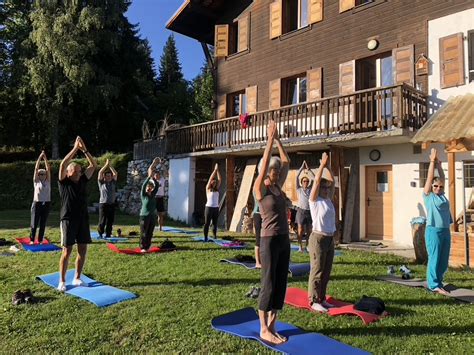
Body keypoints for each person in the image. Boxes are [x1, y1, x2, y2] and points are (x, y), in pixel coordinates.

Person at [254, 120, 290, 345]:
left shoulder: (278, 187)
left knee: (280, 283)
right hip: (268, 240)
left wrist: (277, 140)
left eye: (277, 170)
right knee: (268, 283)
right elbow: (267, 160)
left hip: (283, 239)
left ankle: (273, 324)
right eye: (272, 169)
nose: (276, 171)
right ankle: (263, 328)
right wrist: (268, 140)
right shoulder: (261, 188)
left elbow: (286, 160)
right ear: (265, 171)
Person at [57, 136, 97, 292]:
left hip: (82, 218)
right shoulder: (64, 182)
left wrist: (84, 149)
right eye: (77, 171)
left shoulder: (82, 180)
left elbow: (93, 165)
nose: (80, 173)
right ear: (69, 172)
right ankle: (62, 281)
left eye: (80, 171)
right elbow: (63, 164)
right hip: (67, 219)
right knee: (67, 251)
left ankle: (77, 277)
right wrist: (75, 148)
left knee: (82, 250)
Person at [307, 152, 336, 313]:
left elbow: (332, 181)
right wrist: (322, 165)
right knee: (317, 270)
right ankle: (313, 301)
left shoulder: (328, 200)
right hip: (317, 238)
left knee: (326, 271)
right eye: (323, 188)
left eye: (327, 188)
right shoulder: (314, 201)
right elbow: (317, 181)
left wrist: (329, 166)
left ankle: (322, 298)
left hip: (329, 239)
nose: (326, 189)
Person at [423, 148, 452, 295]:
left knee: (443, 260)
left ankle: (439, 282)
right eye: (436, 186)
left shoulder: (442, 195)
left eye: (440, 186)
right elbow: (429, 179)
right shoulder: (429, 196)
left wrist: (440, 165)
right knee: (434, 258)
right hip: (433, 230)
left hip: (445, 230)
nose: (438, 188)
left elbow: (442, 177)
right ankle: (433, 285)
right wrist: (432, 162)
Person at [139, 158, 160, 252]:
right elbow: (143, 186)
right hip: (144, 216)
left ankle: (147, 246)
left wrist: (153, 178)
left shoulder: (153, 194)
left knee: (150, 232)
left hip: (152, 216)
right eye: (148, 187)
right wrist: (149, 177)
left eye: (150, 187)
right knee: (144, 232)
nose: (149, 188)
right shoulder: (143, 195)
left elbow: (157, 184)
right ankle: (143, 247)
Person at [30, 151, 51, 244]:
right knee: (34, 223)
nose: (42, 175)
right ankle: (32, 239)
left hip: (46, 203)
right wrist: (40, 157)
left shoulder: (48, 181)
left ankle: (40, 239)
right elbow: (36, 169)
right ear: (38, 175)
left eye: (44, 174)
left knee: (43, 223)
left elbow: (48, 169)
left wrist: (45, 158)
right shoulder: (36, 182)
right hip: (37, 203)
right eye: (40, 174)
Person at [295, 160, 314, 252]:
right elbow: (296, 177)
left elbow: (315, 179)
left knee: (309, 230)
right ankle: (300, 246)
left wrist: (309, 170)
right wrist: (302, 168)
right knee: (300, 229)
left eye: (307, 181)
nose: (305, 182)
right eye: (304, 181)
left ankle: (307, 246)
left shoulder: (311, 190)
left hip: (309, 211)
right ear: (301, 182)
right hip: (301, 211)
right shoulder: (299, 189)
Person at [253, 176, 270, 269]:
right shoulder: (258, 190)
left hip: (266, 215)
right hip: (258, 215)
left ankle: (264, 259)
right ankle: (257, 262)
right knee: (258, 238)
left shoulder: (268, 190)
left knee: (266, 238)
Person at [97, 159, 117, 238]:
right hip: (103, 204)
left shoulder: (113, 183)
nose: (109, 177)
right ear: (104, 177)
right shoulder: (101, 183)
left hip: (112, 204)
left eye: (110, 176)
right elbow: (100, 172)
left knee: (110, 220)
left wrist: (110, 165)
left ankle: (108, 234)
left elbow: (115, 173)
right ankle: (100, 233)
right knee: (102, 220)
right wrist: (106, 165)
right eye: (107, 176)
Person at [203, 163, 221, 242]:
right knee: (207, 223)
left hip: (216, 208)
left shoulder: (217, 189)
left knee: (215, 223)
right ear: (211, 183)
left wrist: (218, 171)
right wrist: (215, 170)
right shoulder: (208, 189)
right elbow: (210, 179)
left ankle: (214, 236)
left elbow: (220, 179)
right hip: (209, 208)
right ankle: (206, 237)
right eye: (213, 182)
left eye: (215, 182)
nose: (214, 182)